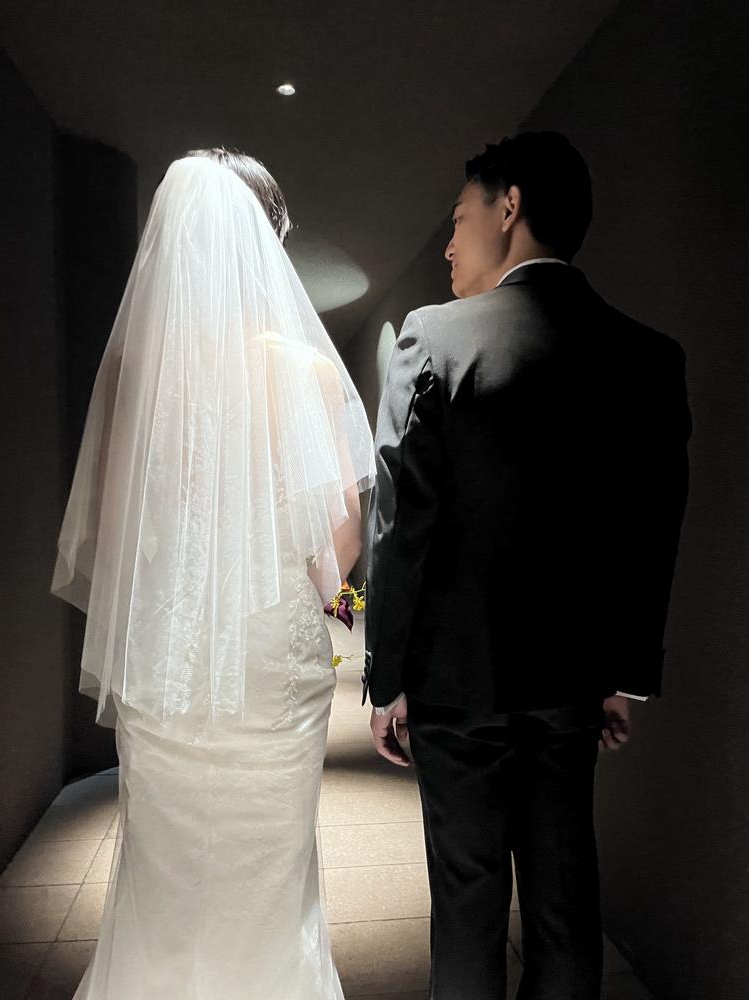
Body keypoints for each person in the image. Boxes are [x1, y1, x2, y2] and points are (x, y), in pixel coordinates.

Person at [363, 131, 691, 1000]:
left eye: (458, 218)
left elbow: (401, 528)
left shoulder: (435, 340)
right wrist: (623, 675)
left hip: (454, 685)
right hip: (575, 685)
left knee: (466, 906)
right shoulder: (646, 357)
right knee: (564, 906)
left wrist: (387, 678)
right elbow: (651, 529)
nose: (449, 244)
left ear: (508, 207)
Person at [52, 148, 375, 999]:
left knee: (165, 868)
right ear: (268, 245)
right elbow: (338, 544)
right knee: (270, 866)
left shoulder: (138, 373)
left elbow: (115, 534)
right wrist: (341, 608)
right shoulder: (304, 370)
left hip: (167, 647)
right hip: (273, 654)